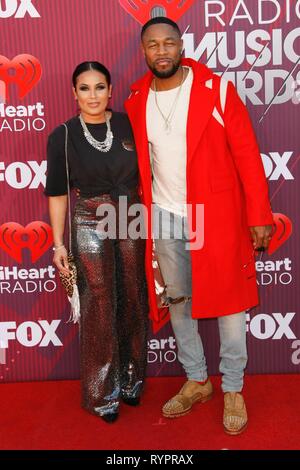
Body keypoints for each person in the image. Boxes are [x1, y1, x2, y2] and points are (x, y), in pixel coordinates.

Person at [125, 17, 273, 435]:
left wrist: (259, 215)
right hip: (165, 215)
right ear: (144, 51)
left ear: (181, 45)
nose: (162, 51)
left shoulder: (217, 90)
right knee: (179, 300)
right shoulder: (137, 98)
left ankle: (233, 386)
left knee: (227, 302)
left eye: (169, 42)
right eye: (153, 45)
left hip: (217, 216)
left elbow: (247, 155)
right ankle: (197, 379)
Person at [45, 61, 149, 423]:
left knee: (134, 295)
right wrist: (58, 244)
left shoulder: (128, 123)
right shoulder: (63, 135)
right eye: (85, 88)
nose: (93, 95)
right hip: (89, 217)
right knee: (100, 303)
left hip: (131, 214)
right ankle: (102, 393)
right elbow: (57, 192)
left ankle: (132, 380)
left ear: (110, 90)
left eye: (100, 87)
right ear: (74, 93)